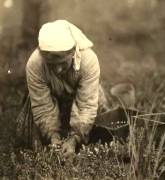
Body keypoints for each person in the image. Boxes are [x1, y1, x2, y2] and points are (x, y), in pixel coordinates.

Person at [15, 20, 108, 159]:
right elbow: (42, 106)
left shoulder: (88, 60)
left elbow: (87, 105)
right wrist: (53, 136)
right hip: (52, 101)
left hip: (82, 101)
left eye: (62, 63)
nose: (58, 69)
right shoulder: (35, 64)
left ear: (72, 53)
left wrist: (74, 138)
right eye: (52, 64)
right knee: (32, 141)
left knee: (100, 134)